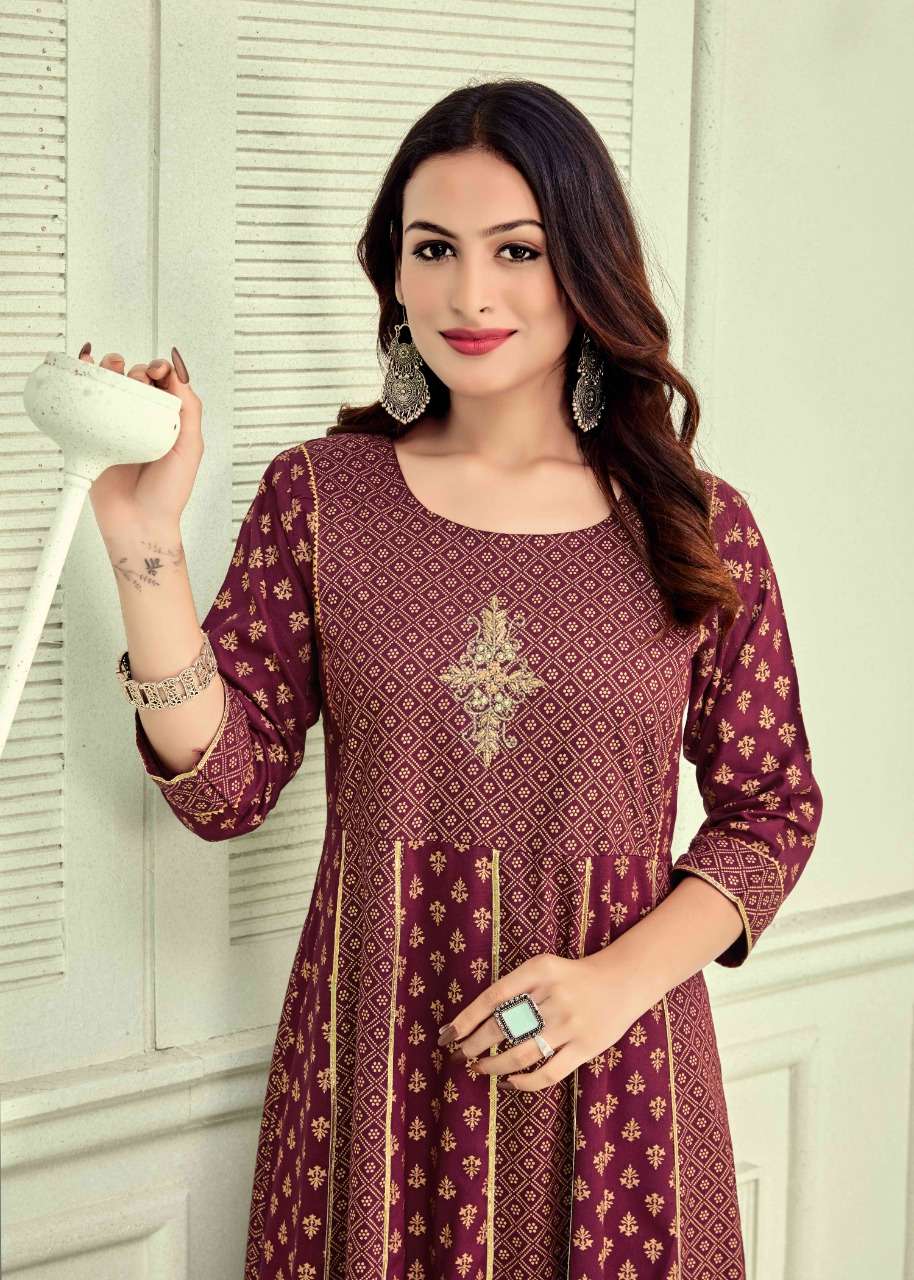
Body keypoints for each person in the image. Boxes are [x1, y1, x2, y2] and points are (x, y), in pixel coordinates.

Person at [86, 79, 823, 1280]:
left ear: (584, 267)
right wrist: (143, 541)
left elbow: (771, 811)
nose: (469, 294)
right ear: (393, 272)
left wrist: (611, 984)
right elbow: (222, 788)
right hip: (371, 1072)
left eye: (515, 250)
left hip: (617, 1083)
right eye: (433, 248)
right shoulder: (321, 496)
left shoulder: (694, 523)